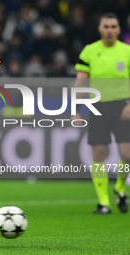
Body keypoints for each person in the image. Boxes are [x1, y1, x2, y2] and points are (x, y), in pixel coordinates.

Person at [73, 13, 130, 214]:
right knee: (98, 154)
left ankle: (120, 187)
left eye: (113, 27)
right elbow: (80, 81)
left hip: (123, 107)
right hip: (97, 107)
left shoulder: (127, 52)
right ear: (99, 29)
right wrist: (75, 110)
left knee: (127, 154)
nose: (109, 30)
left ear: (118, 29)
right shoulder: (89, 51)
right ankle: (104, 203)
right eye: (106, 26)